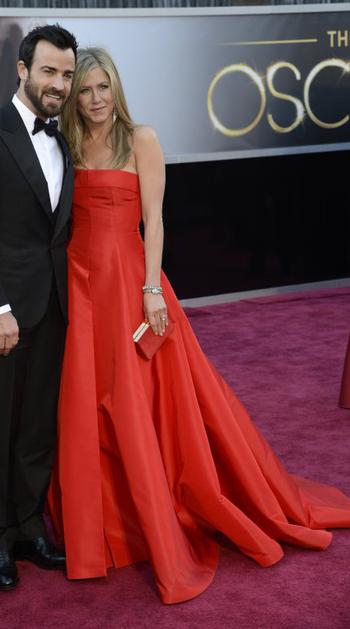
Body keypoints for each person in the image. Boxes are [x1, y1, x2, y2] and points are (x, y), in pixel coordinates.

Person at [47, 48, 350, 605]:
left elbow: (155, 220)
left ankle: (163, 515)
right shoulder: (66, 142)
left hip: (129, 285)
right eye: (84, 90)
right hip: (80, 285)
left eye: (102, 87)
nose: (95, 99)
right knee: (88, 402)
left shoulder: (141, 139)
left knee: (143, 403)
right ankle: (104, 524)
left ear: (116, 88)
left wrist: (150, 290)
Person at [0, 25, 77, 591]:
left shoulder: (65, 139)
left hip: (53, 306)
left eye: (67, 74)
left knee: (37, 424)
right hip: (4, 312)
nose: (59, 84)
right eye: (49, 71)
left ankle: (30, 529)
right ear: (23, 70)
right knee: (0, 425)